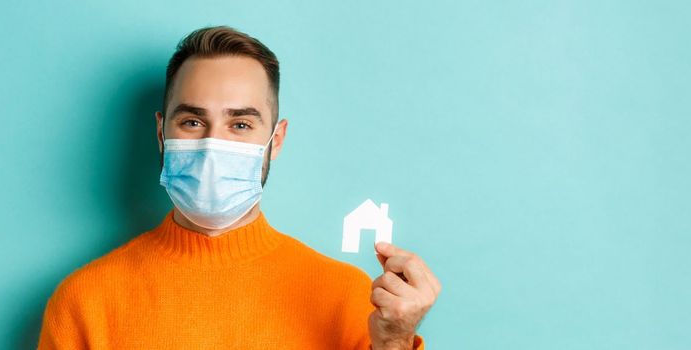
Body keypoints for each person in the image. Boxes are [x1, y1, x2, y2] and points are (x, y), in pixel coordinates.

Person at [38, 25, 440, 350]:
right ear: (161, 134)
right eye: (193, 122)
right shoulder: (85, 302)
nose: (214, 146)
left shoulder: (352, 300)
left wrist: (393, 343)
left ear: (276, 141)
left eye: (241, 125)